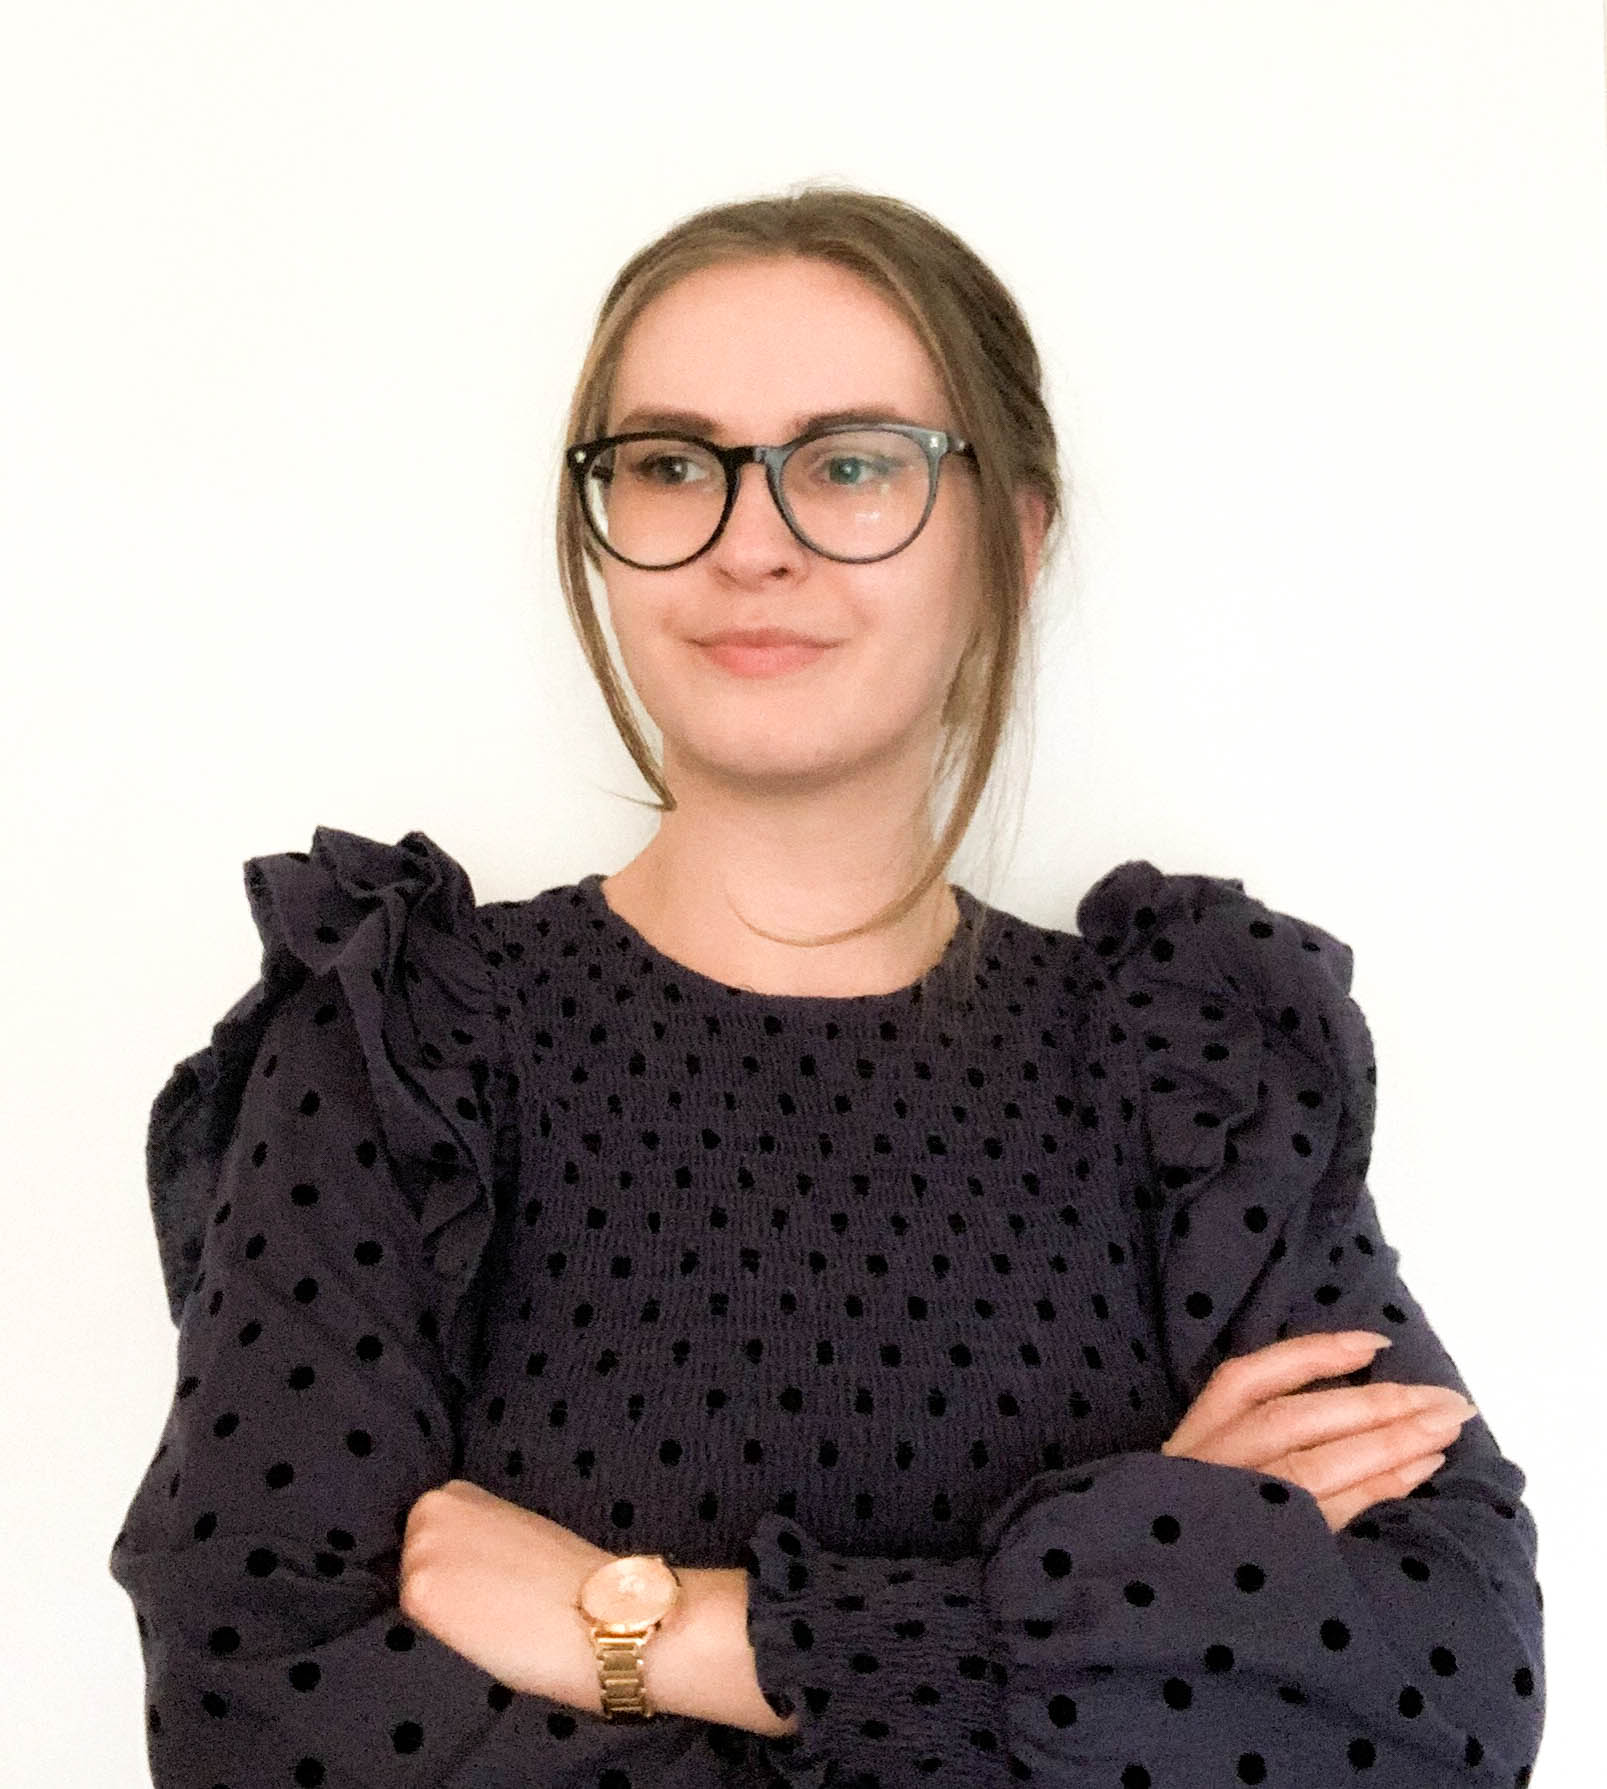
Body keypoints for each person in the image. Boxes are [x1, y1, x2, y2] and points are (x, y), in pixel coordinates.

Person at [108, 187, 1544, 1788]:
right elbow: (257, 1716)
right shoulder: (401, 1050)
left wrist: (662, 1630)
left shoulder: (1194, 1072)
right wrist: (1128, 1606)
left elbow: (1442, 1703)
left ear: (1013, 541)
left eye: (852, 465)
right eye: (672, 465)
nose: (752, 543)